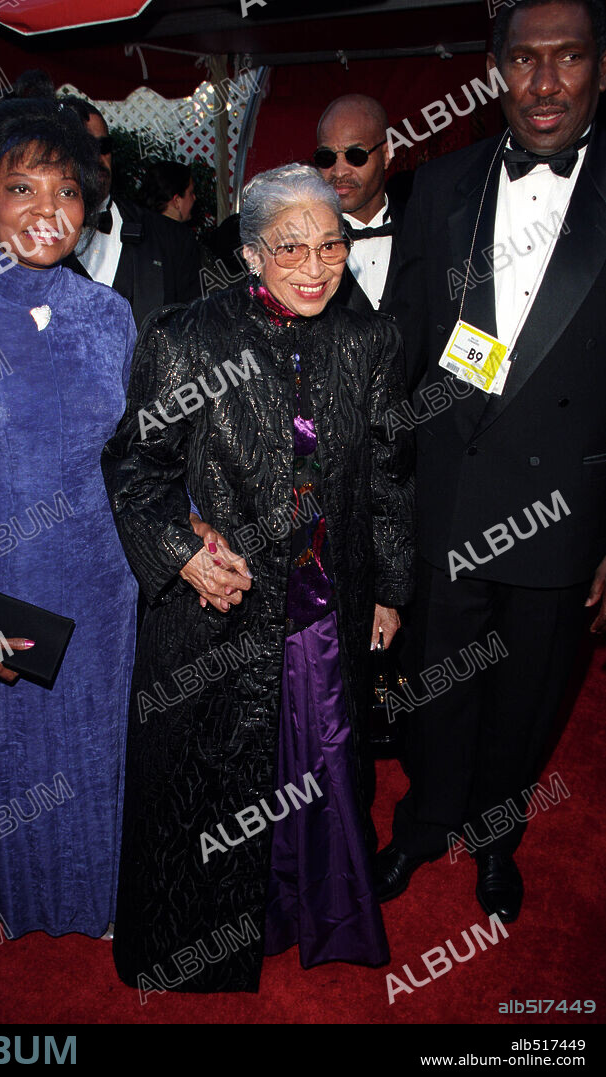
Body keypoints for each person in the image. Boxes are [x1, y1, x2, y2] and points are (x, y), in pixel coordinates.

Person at [101, 163, 415, 993]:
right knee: (212, 773)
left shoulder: (369, 339)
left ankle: (310, 912)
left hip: (324, 598)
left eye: (330, 248)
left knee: (320, 760)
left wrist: (389, 583)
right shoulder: (186, 337)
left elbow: (387, 470)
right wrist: (181, 548)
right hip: (219, 606)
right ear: (248, 255)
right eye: (290, 250)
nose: (314, 268)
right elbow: (135, 467)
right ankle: (195, 940)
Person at [377, 0, 606, 924]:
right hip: (448, 501)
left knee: (527, 700)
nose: (543, 81)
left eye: (568, 58)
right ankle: (424, 822)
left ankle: (495, 835)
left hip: (565, 511)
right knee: (435, 689)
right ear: (494, 69)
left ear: (599, 67)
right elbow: (400, 349)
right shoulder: (438, 187)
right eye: (523, 59)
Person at [0, 97, 138, 939]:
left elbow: (136, 453)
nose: (48, 210)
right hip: (3, 581)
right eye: (22, 189)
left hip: (107, 581)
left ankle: (103, 898)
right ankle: (26, 897)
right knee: (14, 755)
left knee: (98, 749)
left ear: (89, 205)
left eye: (67, 191)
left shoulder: (110, 317)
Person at [61, 99, 201, 329]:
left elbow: (195, 336)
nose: (97, 158)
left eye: (104, 146)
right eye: (84, 148)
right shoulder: (31, 248)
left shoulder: (172, 241)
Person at [315, 94, 403, 313]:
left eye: (355, 156)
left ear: (386, 154)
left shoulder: (425, 231)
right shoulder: (303, 246)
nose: (339, 171)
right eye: (327, 157)